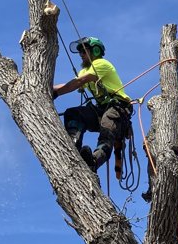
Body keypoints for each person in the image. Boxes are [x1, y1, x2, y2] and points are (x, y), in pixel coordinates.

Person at [52, 36, 132, 173]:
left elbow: (79, 82)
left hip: (118, 107)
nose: (81, 54)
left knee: (106, 130)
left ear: (95, 51)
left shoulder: (101, 64)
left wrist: (56, 93)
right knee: (73, 113)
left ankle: (94, 161)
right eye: (80, 52)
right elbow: (72, 83)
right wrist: (50, 89)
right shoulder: (84, 71)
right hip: (101, 110)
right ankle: (73, 144)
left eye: (84, 51)